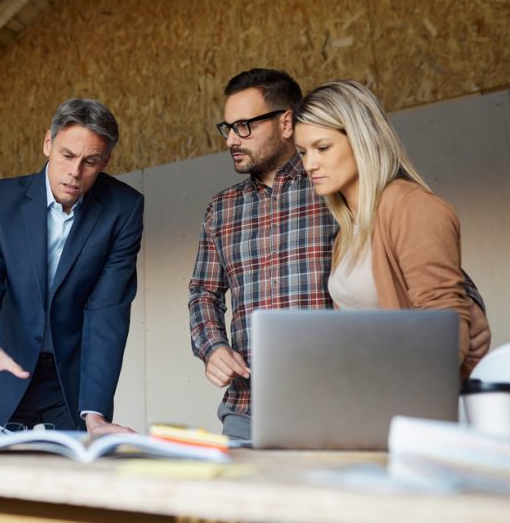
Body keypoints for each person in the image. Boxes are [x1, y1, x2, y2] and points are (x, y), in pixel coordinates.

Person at [188, 69, 490, 441]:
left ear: (285, 121)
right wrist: (212, 346)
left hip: (338, 404)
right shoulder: (225, 209)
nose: (232, 138)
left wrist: (469, 308)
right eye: (228, 128)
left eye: (244, 126)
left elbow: (431, 269)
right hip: (249, 406)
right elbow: (203, 292)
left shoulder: (335, 190)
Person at [0, 97, 143, 523]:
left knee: (75, 518)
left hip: (73, 377)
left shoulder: (123, 207)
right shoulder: (2, 199)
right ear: (48, 144)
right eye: (68, 156)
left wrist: (95, 410)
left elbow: (107, 311)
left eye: (91, 161)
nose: (76, 172)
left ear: (106, 161)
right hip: (3, 365)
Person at [293, 80, 472, 364]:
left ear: (361, 139)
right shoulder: (348, 231)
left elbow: (445, 322)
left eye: (323, 147)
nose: (309, 164)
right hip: (367, 394)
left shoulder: (411, 207)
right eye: (303, 152)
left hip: (409, 394)